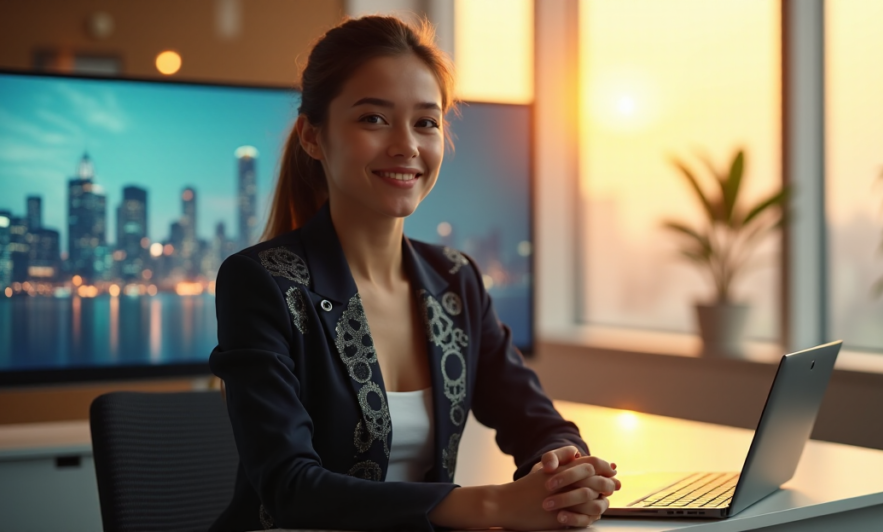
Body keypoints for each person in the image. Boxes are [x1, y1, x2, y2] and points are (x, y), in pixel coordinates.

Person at [209, 15, 620, 532]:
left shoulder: (456, 279)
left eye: (426, 122)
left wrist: (566, 473)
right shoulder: (262, 281)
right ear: (312, 136)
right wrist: (491, 505)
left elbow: (536, 421)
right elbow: (290, 486)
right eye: (374, 120)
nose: (406, 145)